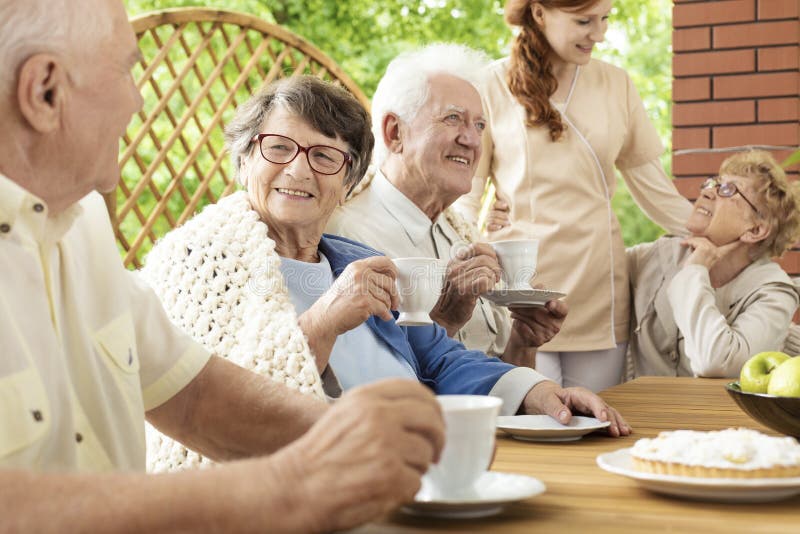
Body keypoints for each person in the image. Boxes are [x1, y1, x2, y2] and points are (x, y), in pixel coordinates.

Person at [0, 1, 449, 531]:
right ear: (44, 91)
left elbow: (194, 397)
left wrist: (356, 439)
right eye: (125, 70)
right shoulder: (197, 257)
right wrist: (287, 488)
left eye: (325, 156)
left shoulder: (82, 227)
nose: (137, 100)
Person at [141, 75, 631, 474]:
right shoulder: (198, 261)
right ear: (246, 158)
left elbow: (436, 358)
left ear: (348, 180)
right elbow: (220, 411)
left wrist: (541, 392)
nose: (299, 170)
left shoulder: (351, 258)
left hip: (417, 466)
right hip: (314, 485)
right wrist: (325, 320)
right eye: (278, 148)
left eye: (324, 156)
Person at [453, 0, 694, 391]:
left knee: (594, 423)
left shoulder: (617, 84)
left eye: (604, 20)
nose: (598, 34)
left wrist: (724, 235)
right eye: (584, 21)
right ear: (539, 13)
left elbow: (655, 189)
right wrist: (468, 245)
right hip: (520, 289)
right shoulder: (489, 85)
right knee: (530, 419)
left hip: (597, 288)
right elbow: (465, 193)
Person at [327, 43, 568, 369]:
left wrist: (523, 343)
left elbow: (495, 375)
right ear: (394, 132)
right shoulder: (347, 236)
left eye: (479, 125)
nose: (471, 140)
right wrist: (445, 319)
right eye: (453, 118)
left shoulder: (462, 235)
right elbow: (372, 383)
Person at [627, 150, 800, 378]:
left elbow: (716, 362)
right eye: (712, 183)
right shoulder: (657, 256)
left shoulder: (774, 293)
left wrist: (694, 272)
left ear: (755, 230)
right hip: (636, 411)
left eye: (728, 190)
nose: (708, 192)